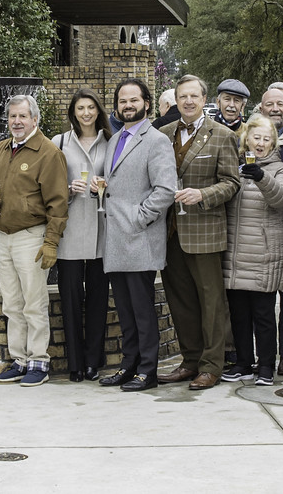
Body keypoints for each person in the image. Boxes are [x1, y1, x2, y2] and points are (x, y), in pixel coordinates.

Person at [0, 96, 70, 387]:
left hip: (32, 236)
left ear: (35, 120)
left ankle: (39, 361)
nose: (17, 121)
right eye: (12, 117)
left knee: (34, 303)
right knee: (12, 304)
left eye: (22, 117)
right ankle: (19, 360)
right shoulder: (1, 149)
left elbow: (58, 203)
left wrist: (51, 242)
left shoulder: (48, 153)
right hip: (3, 237)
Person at [158, 75, 241, 390]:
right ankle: (190, 361)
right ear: (176, 100)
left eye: (194, 96)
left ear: (205, 99)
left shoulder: (220, 135)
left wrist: (203, 194)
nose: (188, 101)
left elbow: (232, 183)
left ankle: (211, 366)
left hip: (205, 231)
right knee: (180, 302)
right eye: (183, 96)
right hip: (169, 232)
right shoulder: (163, 134)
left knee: (211, 302)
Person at [97, 78, 176, 392]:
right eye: (122, 101)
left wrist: (138, 218)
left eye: (133, 100)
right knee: (125, 311)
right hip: (116, 239)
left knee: (142, 312)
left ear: (146, 102)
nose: (127, 105)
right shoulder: (115, 139)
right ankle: (128, 366)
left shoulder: (155, 140)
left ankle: (147, 370)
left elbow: (166, 190)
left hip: (140, 238)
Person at [224, 117, 283, 386]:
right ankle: (243, 362)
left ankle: (265, 365)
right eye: (256, 138)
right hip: (235, 251)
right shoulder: (233, 166)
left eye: (266, 139)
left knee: (263, 315)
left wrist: (262, 177)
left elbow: (282, 199)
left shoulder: (280, 169)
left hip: (265, 252)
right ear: (246, 139)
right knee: (239, 313)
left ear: (273, 142)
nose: (261, 143)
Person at [54, 90, 114, 382]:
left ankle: (93, 361)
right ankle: (75, 363)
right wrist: (68, 189)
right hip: (71, 232)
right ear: (73, 112)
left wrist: (104, 185)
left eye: (91, 107)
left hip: (102, 232)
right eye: (81, 108)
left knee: (98, 301)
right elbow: (50, 189)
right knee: (71, 300)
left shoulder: (112, 141)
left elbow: (120, 180)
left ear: (98, 110)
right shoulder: (60, 142)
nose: (86, 113)